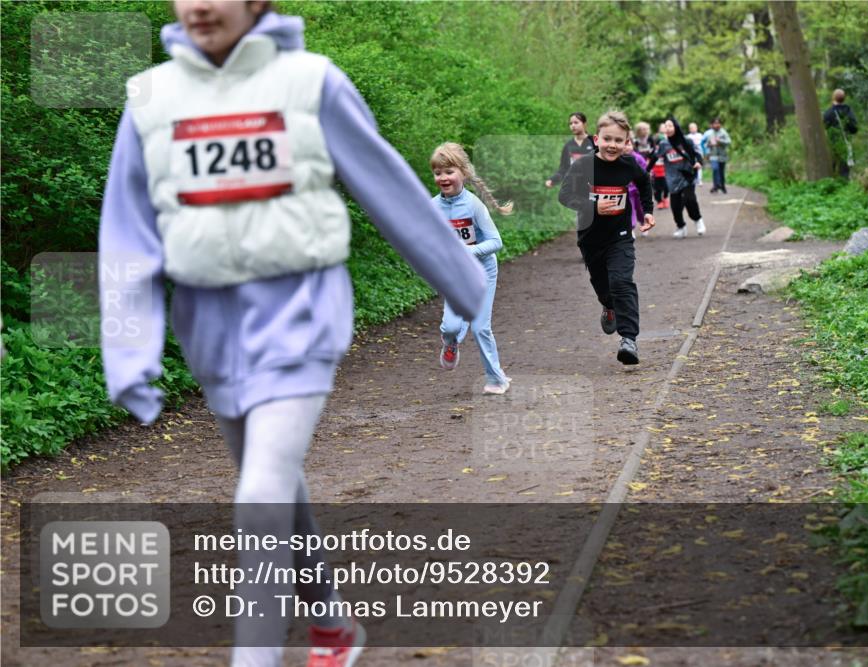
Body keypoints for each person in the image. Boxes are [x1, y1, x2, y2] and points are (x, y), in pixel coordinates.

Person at [98, 3, 486, 667]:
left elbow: (389, 186)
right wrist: (129, 348)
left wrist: (464, 284)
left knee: (259, 492)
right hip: (210, 331)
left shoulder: (312, 82)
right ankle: (333, 624)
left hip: (302, 312)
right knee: (270, 479)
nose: (197, 5)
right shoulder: (150, 99)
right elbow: (126, 230)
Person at [558, 111, 655, 365]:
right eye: (607, 139)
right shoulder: (583, 165)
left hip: (620, 237)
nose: (613, 145)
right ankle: (608, 306)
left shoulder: (630, 165)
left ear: (626, 142)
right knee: (605, 289)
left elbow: (644, 183)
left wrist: (648, 212)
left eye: (619, 140)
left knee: (622, 282)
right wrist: (593, 204)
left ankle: (629, 340)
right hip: (591, 239)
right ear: (596, 139)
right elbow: (565, 195)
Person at [432, 142, 513, 394]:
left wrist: (468, 251)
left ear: (463, 173)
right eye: (437, 173)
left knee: (480, 327)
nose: (443, 178)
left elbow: (495, 242)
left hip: (483, 271)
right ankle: (450, 343)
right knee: (451, 328)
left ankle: (496, 379)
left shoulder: (474, 205)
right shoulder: (433, 206)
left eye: (449, 171)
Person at [649, 117, 705, 238]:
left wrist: (699, 162)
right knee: (676, 206)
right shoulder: (664, 144)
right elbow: (654, 157)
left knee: (690, 199)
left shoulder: (687, 141)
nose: (667, 128)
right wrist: (646, 171)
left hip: (687, 176)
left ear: (676, 127)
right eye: (666, 126)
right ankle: (681, 227)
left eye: (670, 126)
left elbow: (697, 153)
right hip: (672, 179)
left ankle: (698, 220)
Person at [545, 112, 597, 188]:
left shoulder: (595, 142)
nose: (573, 125)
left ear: (584, 124)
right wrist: (552, 180)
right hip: (574, 188)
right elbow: (564, 168)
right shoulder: (568, 146)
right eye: (570, 123)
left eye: (576, 122)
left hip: (593, 188)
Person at [823, 88, 859, 179]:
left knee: (832, 167)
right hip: (845, 142)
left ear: (833, 98)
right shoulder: (848, 111)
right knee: (844, 170)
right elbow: (854, 128)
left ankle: (831, 186)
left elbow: (824, 126)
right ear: (844, 98)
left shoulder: (828, 113)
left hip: (832, 143)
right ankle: (845, 187)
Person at [623, 137, 650, 238]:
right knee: (630, 210)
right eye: (624, 145)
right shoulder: (618, 159)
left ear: (633, 146)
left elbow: (644, 172)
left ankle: (643, 223)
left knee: (640, 209)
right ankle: (631, 228)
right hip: (627, 191)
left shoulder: (638, 158)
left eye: (629, 145)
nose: (626, 148)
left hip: (638, 190)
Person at [702, 117, 731, 194]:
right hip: (713, 155)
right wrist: (709, 145)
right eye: (714, 123)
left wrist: (720, 141)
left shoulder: (723, 132)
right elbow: (706, 144)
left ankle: (722, 186)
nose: (716, 125)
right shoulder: (710, 134)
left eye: (718, 123)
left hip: (722, 155)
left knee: (721, 171)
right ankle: (716, 185)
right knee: (715, 169)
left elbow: (728, 142)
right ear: (712, 125)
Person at [650, 122, 669, 209]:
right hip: (656, 173)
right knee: (657, 189)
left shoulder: (666, 151)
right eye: (658, 145)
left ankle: (665, 198)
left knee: (666, 187)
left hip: (665, 172)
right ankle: (659, 201)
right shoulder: (653, 152)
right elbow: (649, 161)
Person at [686, 122, 705, 186]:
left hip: (699, 153)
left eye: (694, 127)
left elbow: (703, 145)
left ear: (697, 128)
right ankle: (694, 179)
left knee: (699, 166)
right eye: (691, 128)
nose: (693, 129)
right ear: (689, 129)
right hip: (691, 155)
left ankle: (700, 180)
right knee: (693, 166)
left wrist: (704, 153)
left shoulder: (700, 135)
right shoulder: (688, 137)